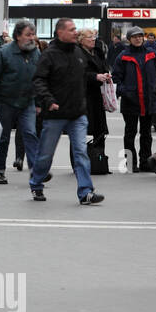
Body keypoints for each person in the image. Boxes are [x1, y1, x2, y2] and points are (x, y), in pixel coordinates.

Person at [30, 18, 103, 205]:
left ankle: (86, 192)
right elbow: (39, 80)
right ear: (60, 32)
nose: (75, 32)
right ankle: (36, 182)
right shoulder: (49, 55)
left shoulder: (78, 53)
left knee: (81, 152)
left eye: (75, 29)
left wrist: (94, 81)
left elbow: (84, 76)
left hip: (78, 113)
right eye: (71, 30)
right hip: (55, 113)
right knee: (46, 153)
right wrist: (48, 100)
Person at [0, 21, 41, 185]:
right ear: (17, 36)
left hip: (27, 101)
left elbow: (39, 79)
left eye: (33, 34)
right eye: (28, 35)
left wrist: (39, 102)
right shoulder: (4, 53)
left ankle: (36, 171)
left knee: (30, 134)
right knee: (3, 137)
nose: (32, 38)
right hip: (5, 101)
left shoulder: (35, 53)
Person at [112, 25, 156, 172]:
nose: (138, 39)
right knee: (130, 133)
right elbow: (116, 78)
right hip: (130, 102)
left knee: (146, 134)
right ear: (129, 39)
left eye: (140, 36)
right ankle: (130, 163)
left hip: (149, 101)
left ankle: (145, 163)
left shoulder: (152, 54)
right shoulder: (123, 56)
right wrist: (124, 91)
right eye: (135, 37)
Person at [78, 28, 113, 160]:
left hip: (97, 95)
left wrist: (106, 74)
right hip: (83, 95)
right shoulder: (77, 53)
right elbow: (77, 74)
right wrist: (95, 76)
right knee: (80, 130)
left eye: (94, 37)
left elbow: (103, 66)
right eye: (89, 37)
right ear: (81, 40)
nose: (93, 39)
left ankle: (99, 159)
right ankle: (79, 161)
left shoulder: (97, 52)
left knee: (99, 129)